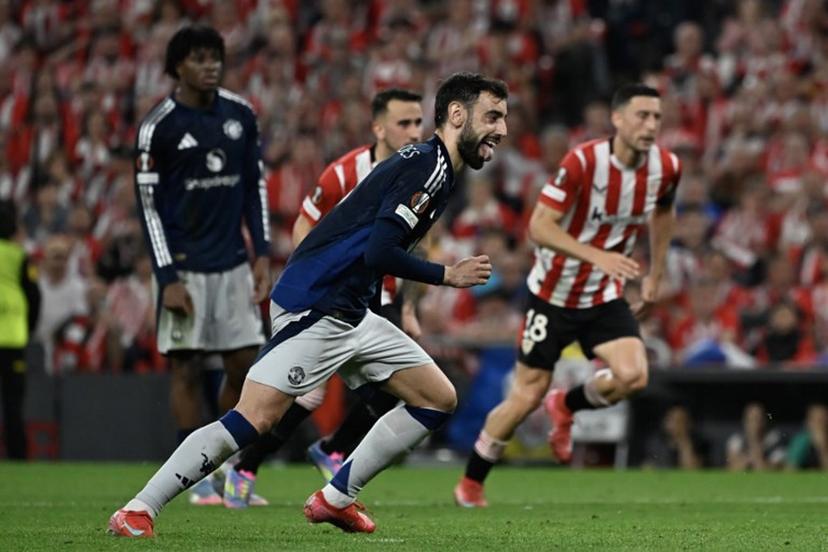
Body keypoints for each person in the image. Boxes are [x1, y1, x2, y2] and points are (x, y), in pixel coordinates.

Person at [108, 72, 508, 537]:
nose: (501, 129)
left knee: (437, 399)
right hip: (318, 304)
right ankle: (139, 508)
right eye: (493, 116)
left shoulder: (433, 166)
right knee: (254, 417)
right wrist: (447, 275)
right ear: (458, 115)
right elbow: (379, 251)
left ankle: (336, 499)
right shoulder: (428, 166)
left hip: (350, 308)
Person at [454, 83, 680, 507]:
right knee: (525, 396)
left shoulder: (665, 167)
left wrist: (655, 276)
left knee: (635, 375)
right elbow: (538, 227)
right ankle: (471, 482)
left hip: (601, 296)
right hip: (552, 296)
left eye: (656, 117)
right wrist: (599, 255)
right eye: (641, 116)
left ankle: (567, 403)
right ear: (617, 120)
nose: (650, 125)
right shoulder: (584, 162)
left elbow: (664, 212)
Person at [222, 88, 426, 508]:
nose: (413, 131)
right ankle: (244, 467)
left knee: (401, 385)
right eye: (404, 123)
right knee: (304, 394)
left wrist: (408, 305)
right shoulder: (343, 173)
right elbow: (304, 227)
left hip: (381, 294)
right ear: (378, 127)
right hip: (333, 295)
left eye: (418, 122)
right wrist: (321, 279)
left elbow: (417, 243)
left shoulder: (423, 171)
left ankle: (332, 449)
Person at [132, 26, 271, 504]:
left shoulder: (240, 114)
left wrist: (263, 253)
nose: (210, 66)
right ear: (177, 67)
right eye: (198, 58)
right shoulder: (159, 126)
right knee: (186, 372)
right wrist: (167, 276)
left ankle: (229, 470)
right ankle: (195, 481)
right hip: (185, 268)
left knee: (244, 369)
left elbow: (256, 188)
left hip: (234, 263)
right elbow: (148, 207)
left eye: (215, 58)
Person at [0, 199, 40, 459]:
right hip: (13, 337)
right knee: (13, 404)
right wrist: (29, 328)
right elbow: (34, 295)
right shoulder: (20, 256)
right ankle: (18, 456)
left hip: (13, 335)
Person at [726, 402, 786, 471]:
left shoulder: (775, 440)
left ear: (764, 421)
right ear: (745, 421)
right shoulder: (736, 439)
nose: (755, 424)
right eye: (751, 420)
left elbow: (775, 468)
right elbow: (731, 466)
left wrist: (757, 457)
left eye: (758, 419)